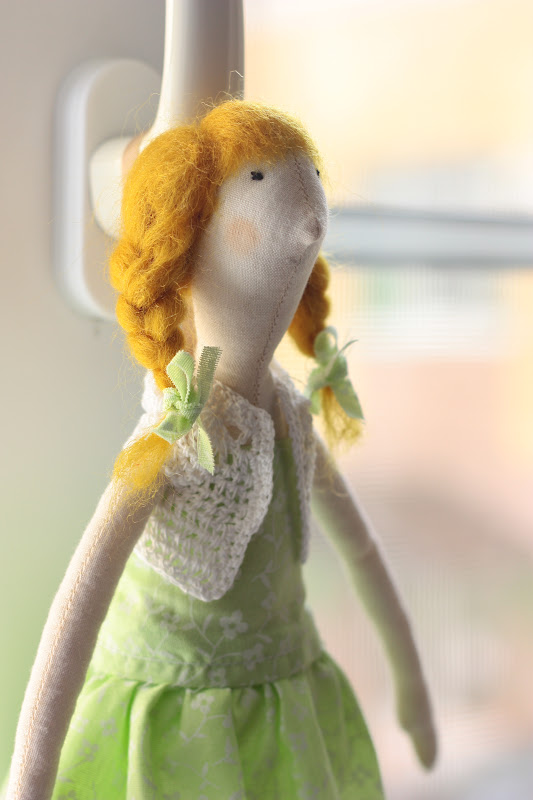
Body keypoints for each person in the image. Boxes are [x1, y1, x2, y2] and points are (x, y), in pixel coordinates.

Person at [6, 100, 436, 800]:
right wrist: (29, 777)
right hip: (174, 738)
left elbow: (361, 550)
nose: (306, 229)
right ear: (189, 245)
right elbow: (78, 606)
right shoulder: (175, 439)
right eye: (262, 188)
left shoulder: (290, 413)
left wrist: (410, 683)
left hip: (289, 716)